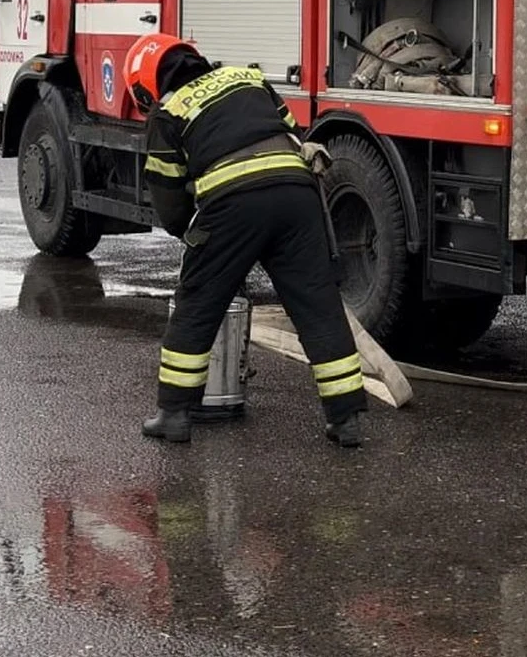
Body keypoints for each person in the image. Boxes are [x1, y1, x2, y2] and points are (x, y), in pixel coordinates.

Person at [123, 33, 368, 448]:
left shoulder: (168, 113)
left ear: (149, 85)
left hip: (233, 206)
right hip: (296, 196)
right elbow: (293, 134)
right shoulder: (247, 78)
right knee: (317, 303)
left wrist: (197, 240)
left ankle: (174, 414)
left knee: (198, 303)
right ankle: (347, 420)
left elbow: (169, 202)